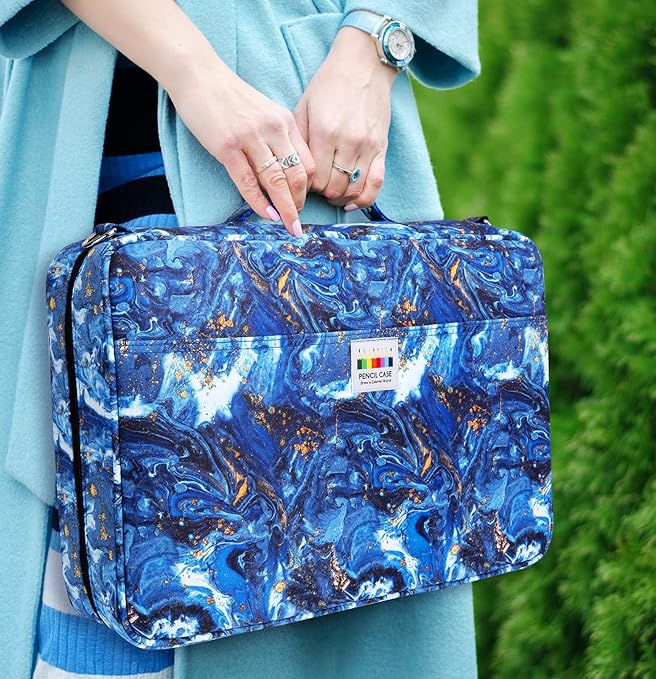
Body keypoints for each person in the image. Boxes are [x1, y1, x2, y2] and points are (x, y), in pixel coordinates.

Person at [0, 1, 481, 677]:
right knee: (125, 561)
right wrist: (194, 71)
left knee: (363, 545)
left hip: (322, 138)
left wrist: (374, 42)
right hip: (107, 132)